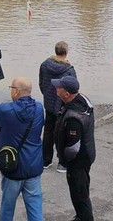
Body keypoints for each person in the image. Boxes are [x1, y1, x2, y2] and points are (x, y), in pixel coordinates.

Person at [0, 77, 44, 221]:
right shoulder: (39, 108)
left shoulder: (6, 110)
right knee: (35, 208)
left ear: (16, 91)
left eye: (11, 88)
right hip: (33, 166)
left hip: (12, 167)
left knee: (7, 208)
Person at [52, 76, 95, 221]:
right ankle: (80, 217)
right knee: (80, 192)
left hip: (77, 162)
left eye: (58, 88)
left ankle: (84, 218)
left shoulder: (73, 118)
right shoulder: (82, 101)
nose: (56, 90)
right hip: (87, 155)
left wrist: (64, 159)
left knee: (79, 195)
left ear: (67, 94)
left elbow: (73, 148)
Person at [38, 41, 76, 173]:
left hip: (49, 103)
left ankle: (45, 160)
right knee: (63, 133)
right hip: (63, 104)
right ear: (66, 52)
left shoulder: (44, 65)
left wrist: (47, 95)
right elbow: (73, 88)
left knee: (48, 131)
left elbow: (41, 83)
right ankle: (62, 162)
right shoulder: (69, 69)